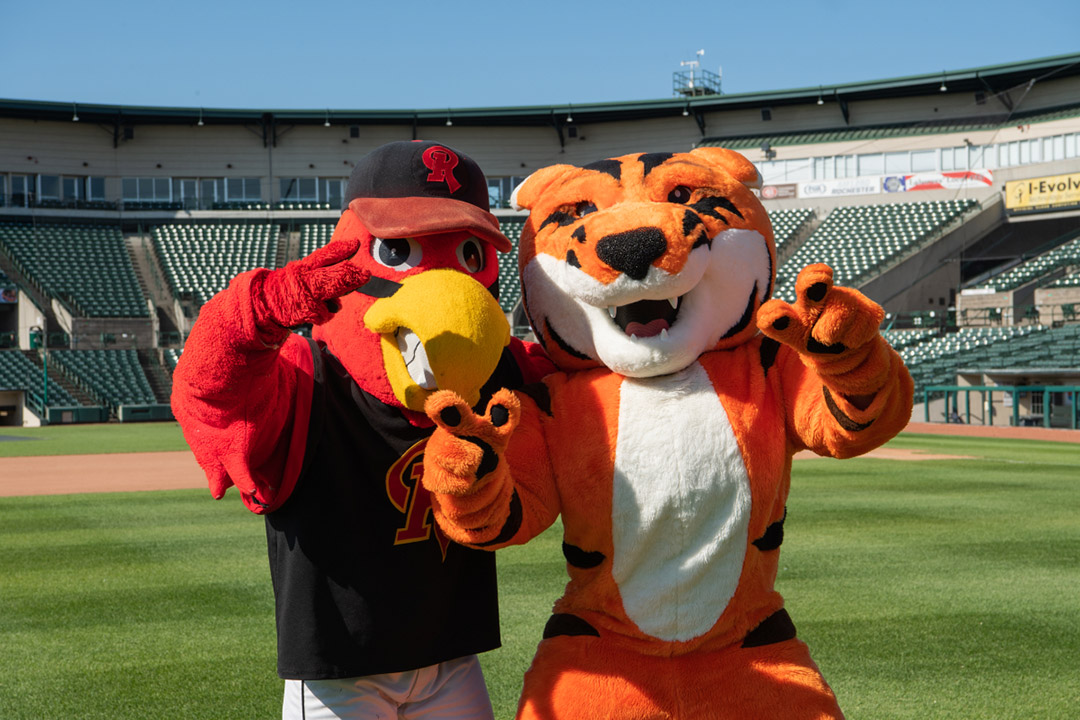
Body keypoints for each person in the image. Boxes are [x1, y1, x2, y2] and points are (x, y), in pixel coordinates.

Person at [171, 141, 552, 719]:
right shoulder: (308, 376)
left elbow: (579, 383)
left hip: (452, 658)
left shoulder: (493, 371)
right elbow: (210, 393)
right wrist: (257, 311)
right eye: (398, 249)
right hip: (340, 673)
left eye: (469, 253)